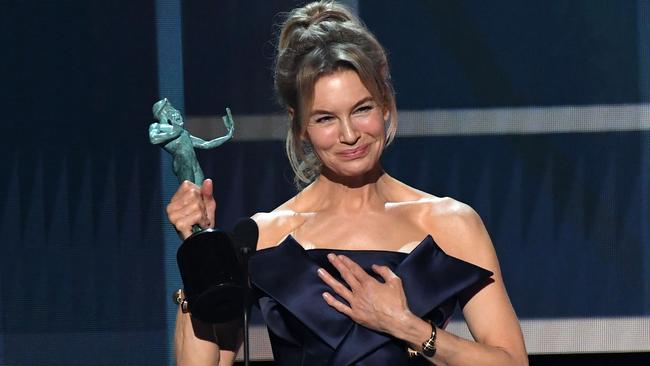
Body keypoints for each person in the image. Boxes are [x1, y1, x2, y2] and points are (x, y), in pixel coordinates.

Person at [167, 1, 528, 365]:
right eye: (326, 118)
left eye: (362, 109)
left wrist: (408, 327)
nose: (350, 135)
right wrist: (197, 248)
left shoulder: (451, 224)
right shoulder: (262, 238)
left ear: (385, 104)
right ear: (299, 125)